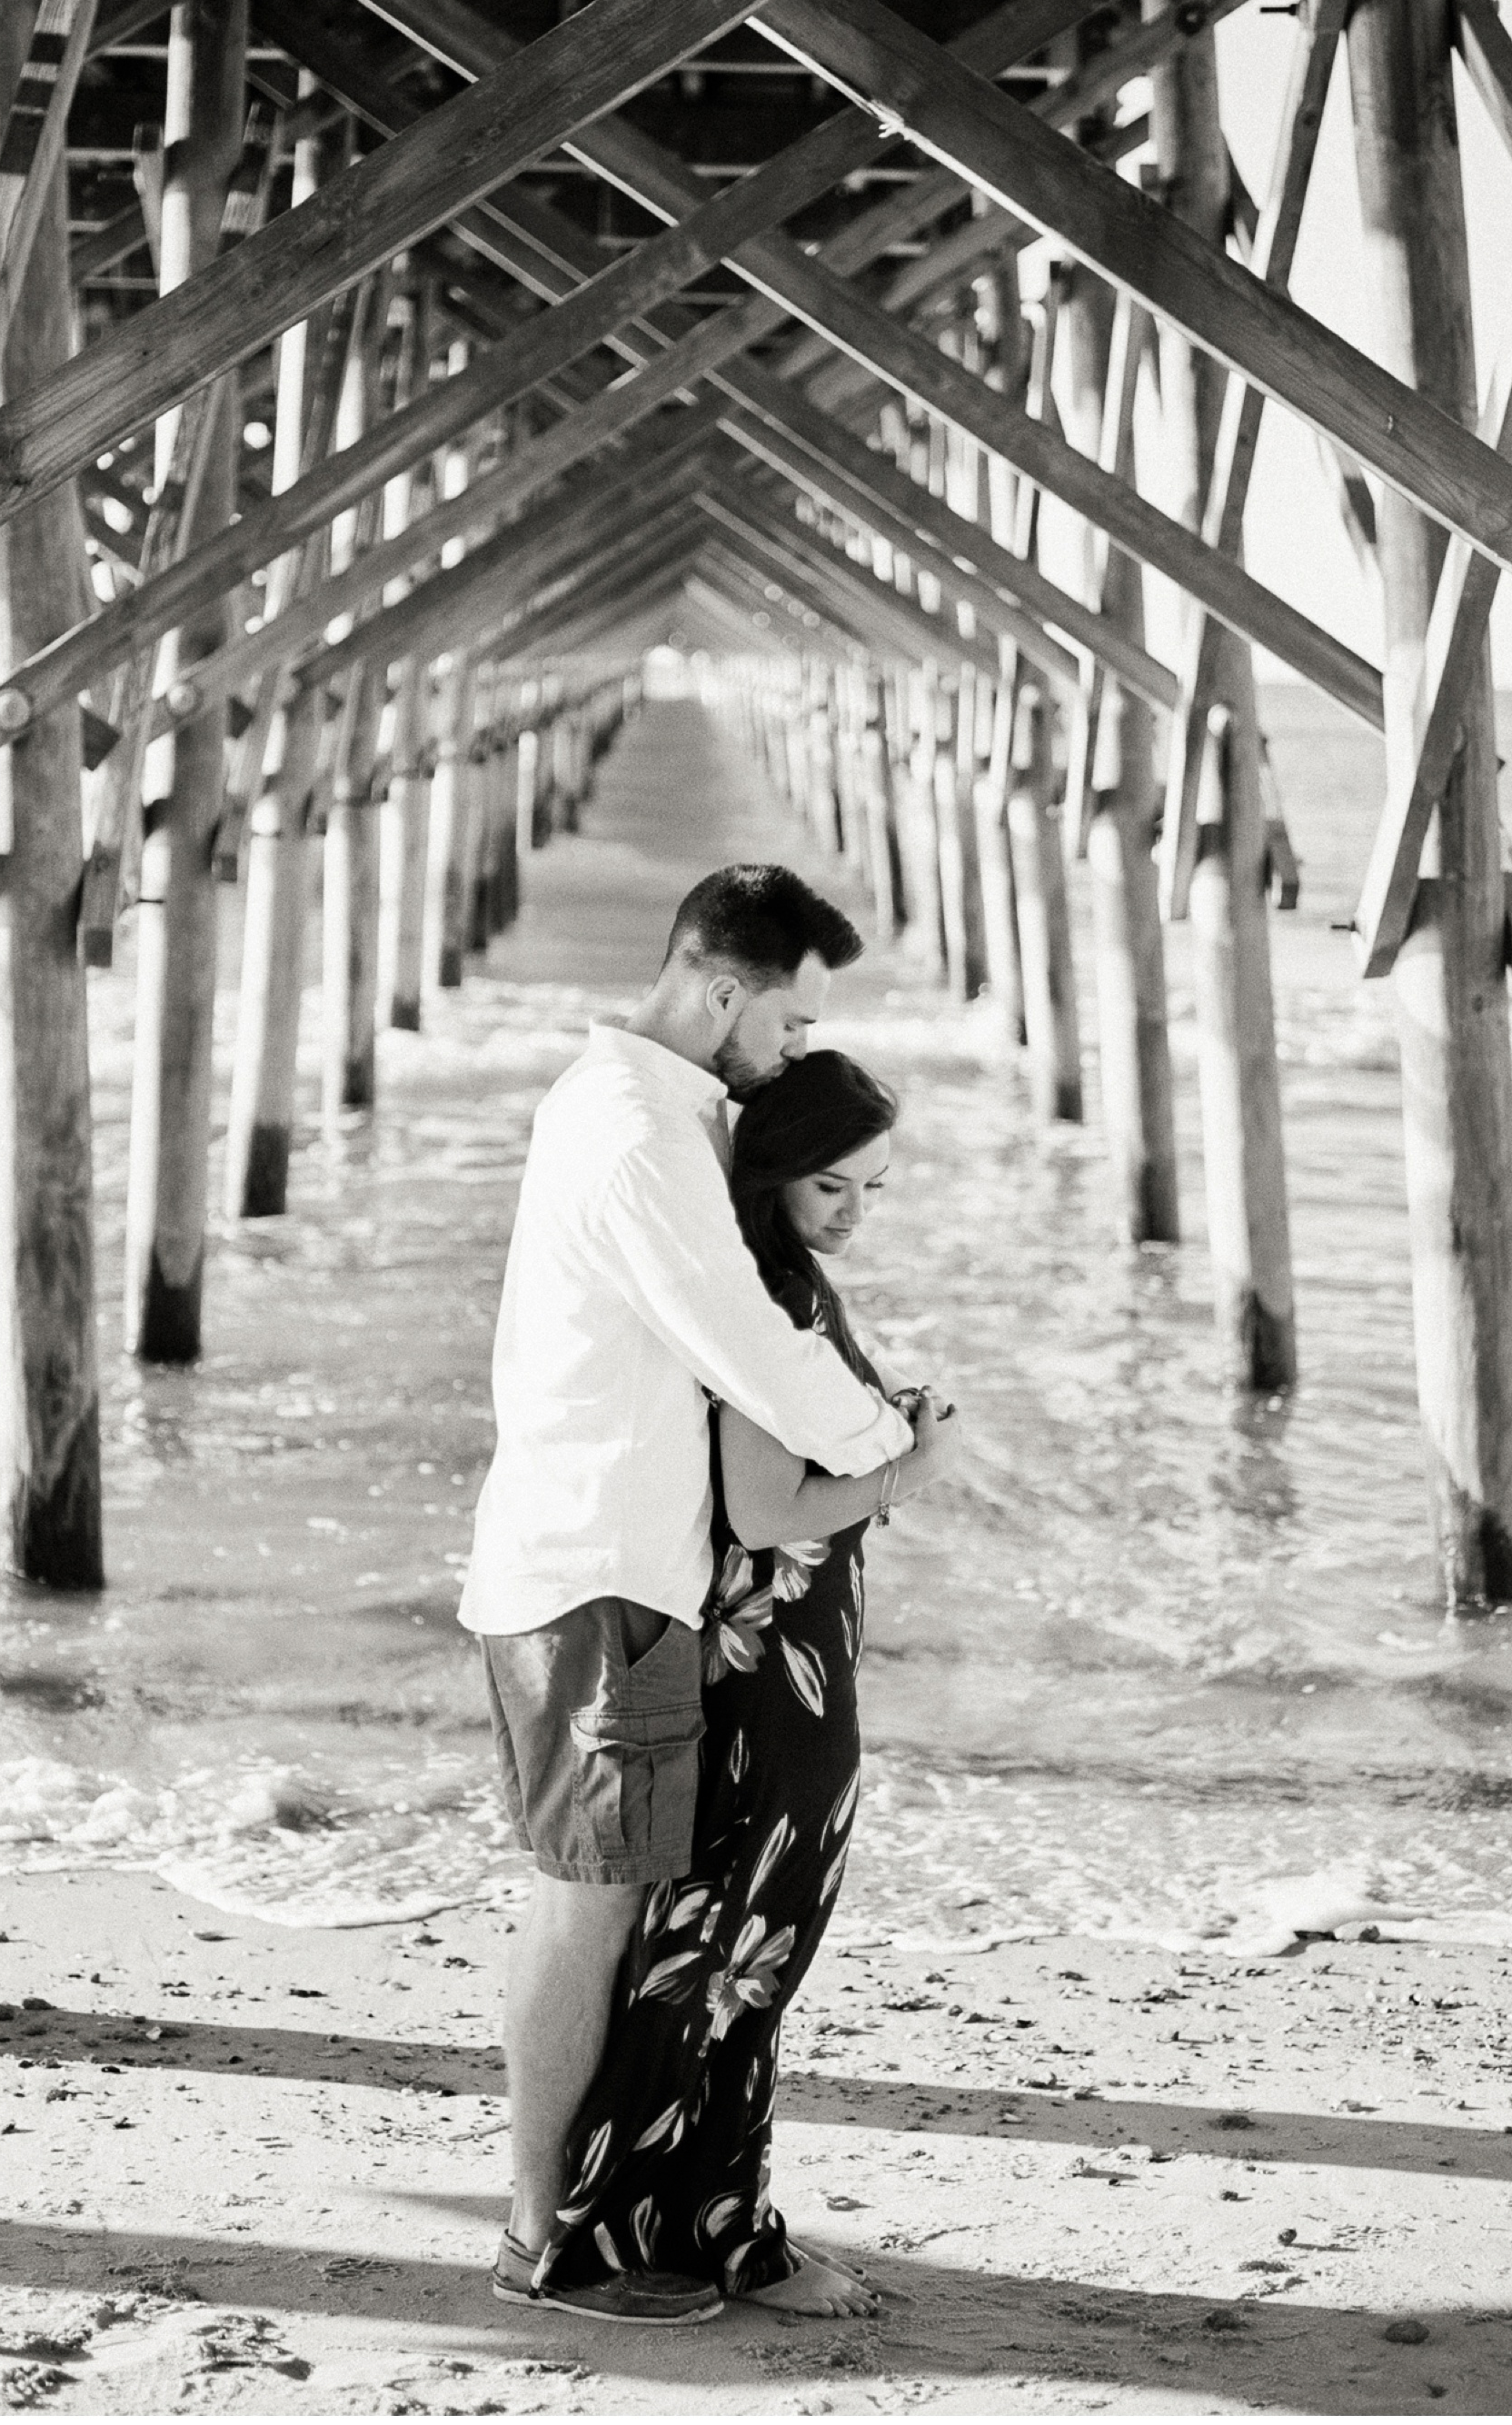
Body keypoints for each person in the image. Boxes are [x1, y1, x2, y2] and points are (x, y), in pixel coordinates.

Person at [460, 866, 920, 2328]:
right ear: (721, 992)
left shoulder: (643, 1115)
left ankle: (607, 2215)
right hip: (596, 1578)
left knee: (623, 1908)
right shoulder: (640, 1133)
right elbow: (749, 1348)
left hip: (618, 1573)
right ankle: (545, 2239)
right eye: (785, 1024)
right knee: (588, 1911)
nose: (788, 1057)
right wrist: (899, 1448)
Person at [530, 1050, 954, 2319]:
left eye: (873, 1189)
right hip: (772, 1675)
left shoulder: (776, 1281)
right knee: (725, 1957)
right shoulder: (761, 1294)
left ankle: (719, 2227)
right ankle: (621, 2234)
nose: (852, 1213)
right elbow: (768, 1507)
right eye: (832, 1184)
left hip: (792, 1663)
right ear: (772, 1171)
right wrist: (907, 1470)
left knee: (742, 1960)